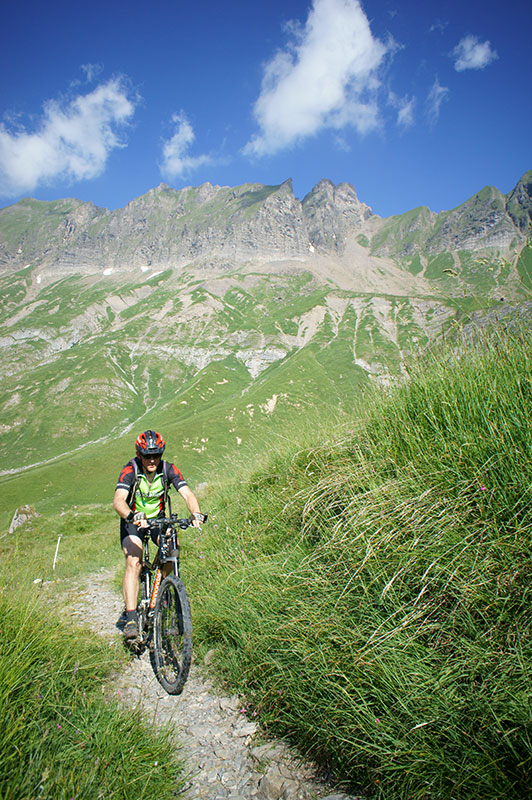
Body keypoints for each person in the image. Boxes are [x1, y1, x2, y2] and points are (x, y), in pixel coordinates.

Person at [113, 429, 205, 641]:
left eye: (156, 455)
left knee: (173, 546)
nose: (152, 459)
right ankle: (131, 618)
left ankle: (162, 591)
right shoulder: (130, 470)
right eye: (147, 455)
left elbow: (187, 493)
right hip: (134, 521)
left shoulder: (169, 469)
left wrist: (196, 513)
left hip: (157, 520)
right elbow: (119, 500)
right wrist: (132, 515)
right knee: (134, 561)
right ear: (139, 454)